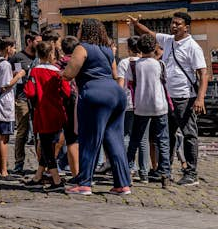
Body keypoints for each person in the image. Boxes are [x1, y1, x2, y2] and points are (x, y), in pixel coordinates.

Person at [128, 12, 208, 186]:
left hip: (184, 97)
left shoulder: (193, 47)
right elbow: (148, 33)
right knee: (166, 136)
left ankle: (191, 173)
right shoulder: (168, 40)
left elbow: (203, 73)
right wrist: (136, 24)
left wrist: (200, 98)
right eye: (173, 23)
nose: (174, 26)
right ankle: (165, 171)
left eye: (178, 24)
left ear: (186, 26)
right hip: (167, 97)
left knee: (189, 134)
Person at [61, 19, 130, 195]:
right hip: (116, 94)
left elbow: (69, 74)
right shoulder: (107, 50)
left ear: (85, 31)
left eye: (80, 28)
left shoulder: (82, 48)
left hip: (95, 94)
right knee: (114, 140)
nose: (77, 31)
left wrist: (60, 73)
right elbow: (115, 74)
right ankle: (122, 183)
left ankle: (84, 182)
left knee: (90, 139)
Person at [23, 41, 70, 191]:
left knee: (46, 146)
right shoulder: (57, 71)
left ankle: (56, 179)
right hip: (57, 112)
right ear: (51, 54)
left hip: (42, 112)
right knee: (49, 144)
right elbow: (67, 92)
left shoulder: (35, 71)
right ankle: (38, 176)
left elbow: (30, 92)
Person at [127, 34, 172, 186]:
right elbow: (165, 82)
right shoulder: (160, 65)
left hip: (141, 106)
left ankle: (127, 171)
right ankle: (165, 173)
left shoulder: (134, 65)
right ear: (154, 48)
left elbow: (130, 85)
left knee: (135, 140)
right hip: (160, 105)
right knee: (163, 141)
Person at [116, 36, 150, 182]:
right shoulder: (147, 62)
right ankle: (144, 172)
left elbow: (120, 85)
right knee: (143, 139)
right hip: (144, 104)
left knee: (125, 136)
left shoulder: (124, 63)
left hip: (128, 104)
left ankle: (128, 168)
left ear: (128, 48)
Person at [9, 31, 41, 175]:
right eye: (37, 41)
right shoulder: (18, 57)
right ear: (29, 41)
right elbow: (15, 77)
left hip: (37, 99)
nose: (40, 44)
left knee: (38, 133)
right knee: (22, 131)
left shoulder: (41, 57)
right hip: (22, 97)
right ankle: (19, 163)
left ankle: (41, 164)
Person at [55, 36, 80, 177]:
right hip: (80, 100)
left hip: (64, 102)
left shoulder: (58, 64)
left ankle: (72, 170)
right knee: (78, 138)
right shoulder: (81, 62)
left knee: (69, 137)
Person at [0, 38, 17, 181]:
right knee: (4, 138)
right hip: (4, 104)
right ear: (8, 48)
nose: (14, 50)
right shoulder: (6, 64)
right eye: (13, 47)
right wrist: (18, 76)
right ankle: (3, 170)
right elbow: (5, 85)